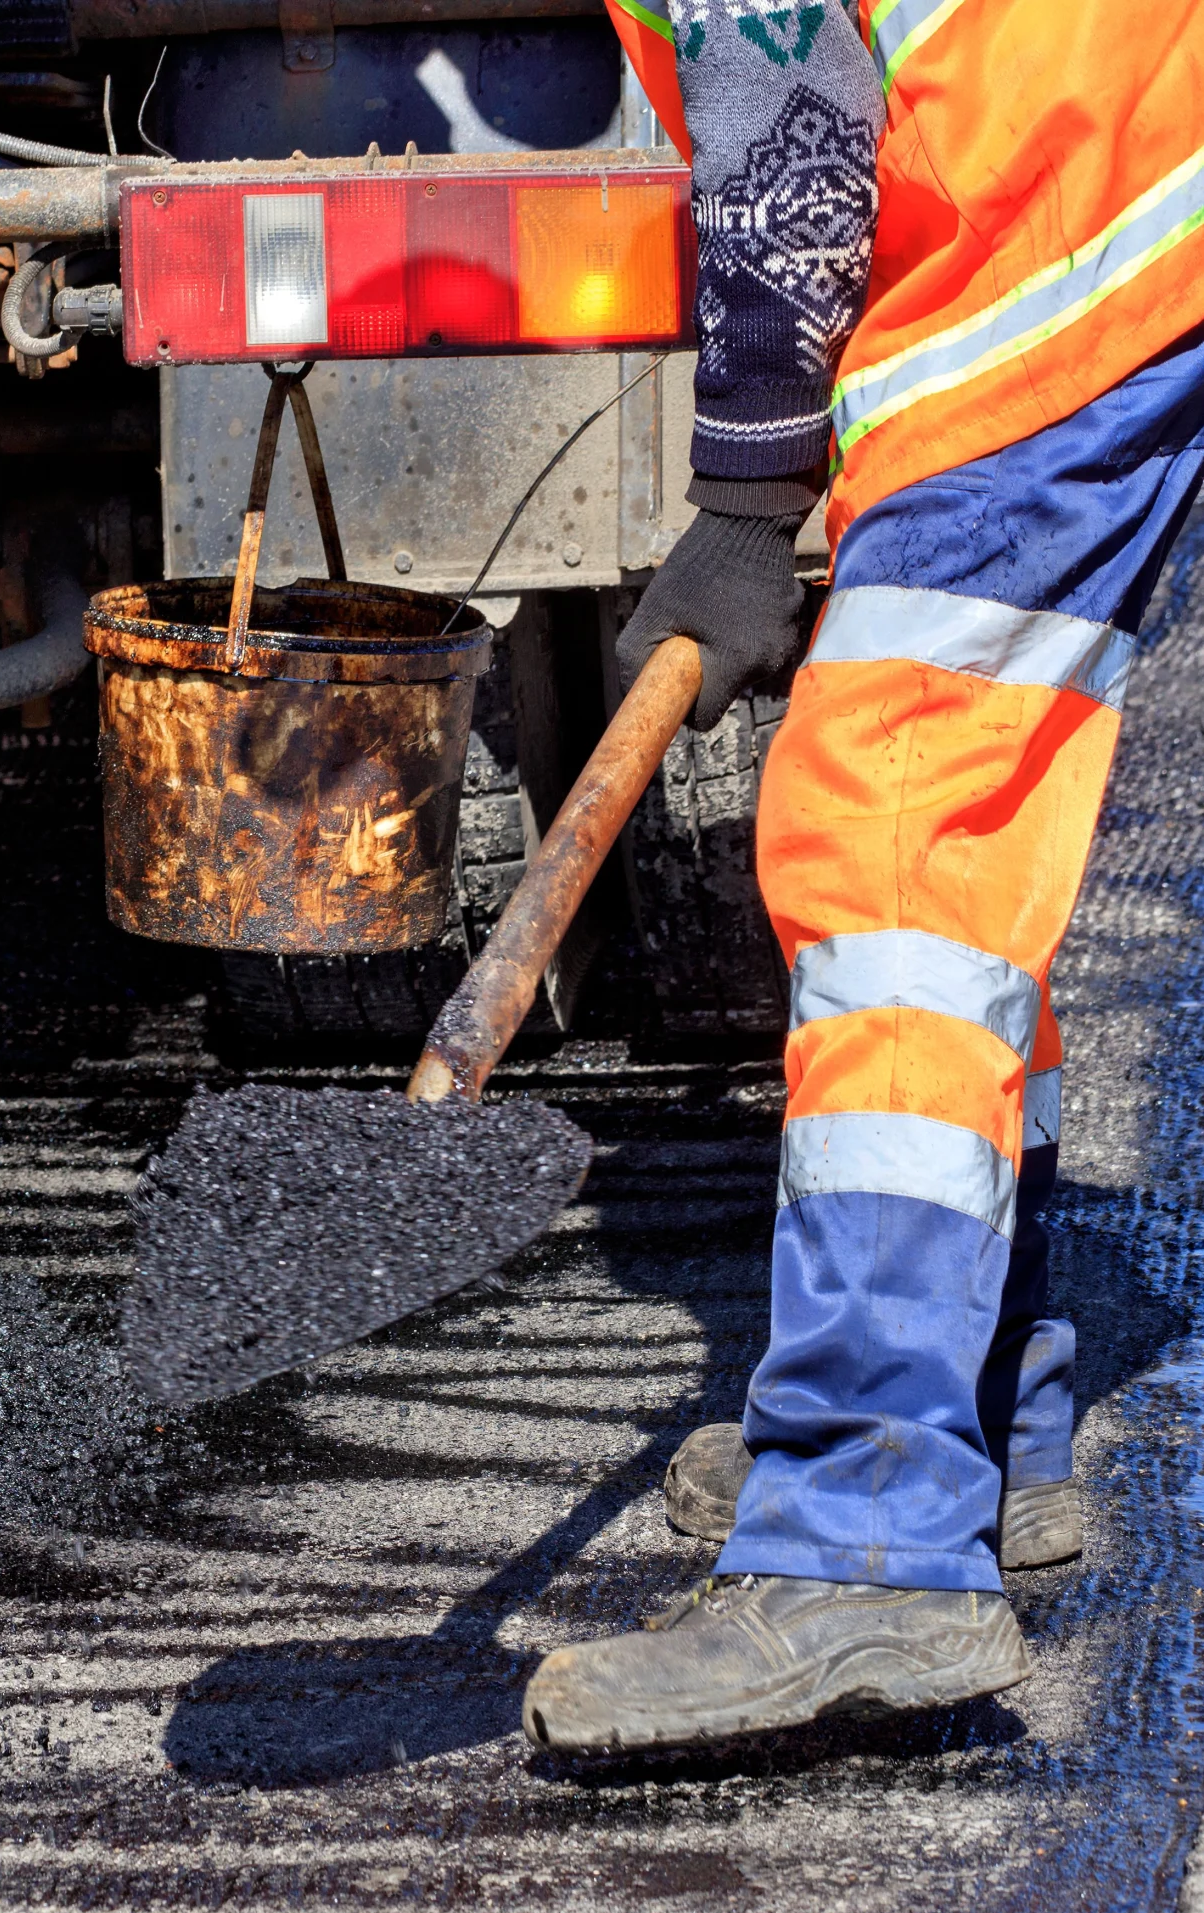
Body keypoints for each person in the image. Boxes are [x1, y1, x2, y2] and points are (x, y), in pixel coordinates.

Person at [524, 0, 1204, 1751]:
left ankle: (866, 1537)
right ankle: (979, 1414)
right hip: (1111, 148)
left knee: (894, 816)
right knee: (970, 827)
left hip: (1058, 210)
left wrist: (746, 497)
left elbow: (782, 89)